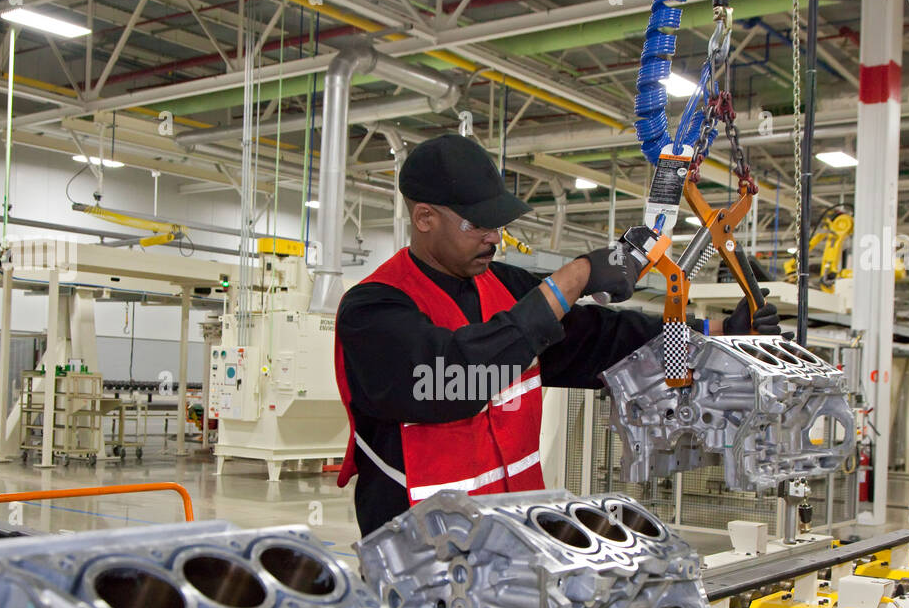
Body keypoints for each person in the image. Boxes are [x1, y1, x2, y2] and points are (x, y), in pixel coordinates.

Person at [334, 134, 781, 535]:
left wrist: (716, 333)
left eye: (498, 223)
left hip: (513, 535)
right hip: (417, 546)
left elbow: (604, 341)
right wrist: (573, 278)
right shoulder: (373, 309)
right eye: (478, 225)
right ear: (425, 217)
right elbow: (453, 382)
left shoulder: (504, 287)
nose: (494, 237)